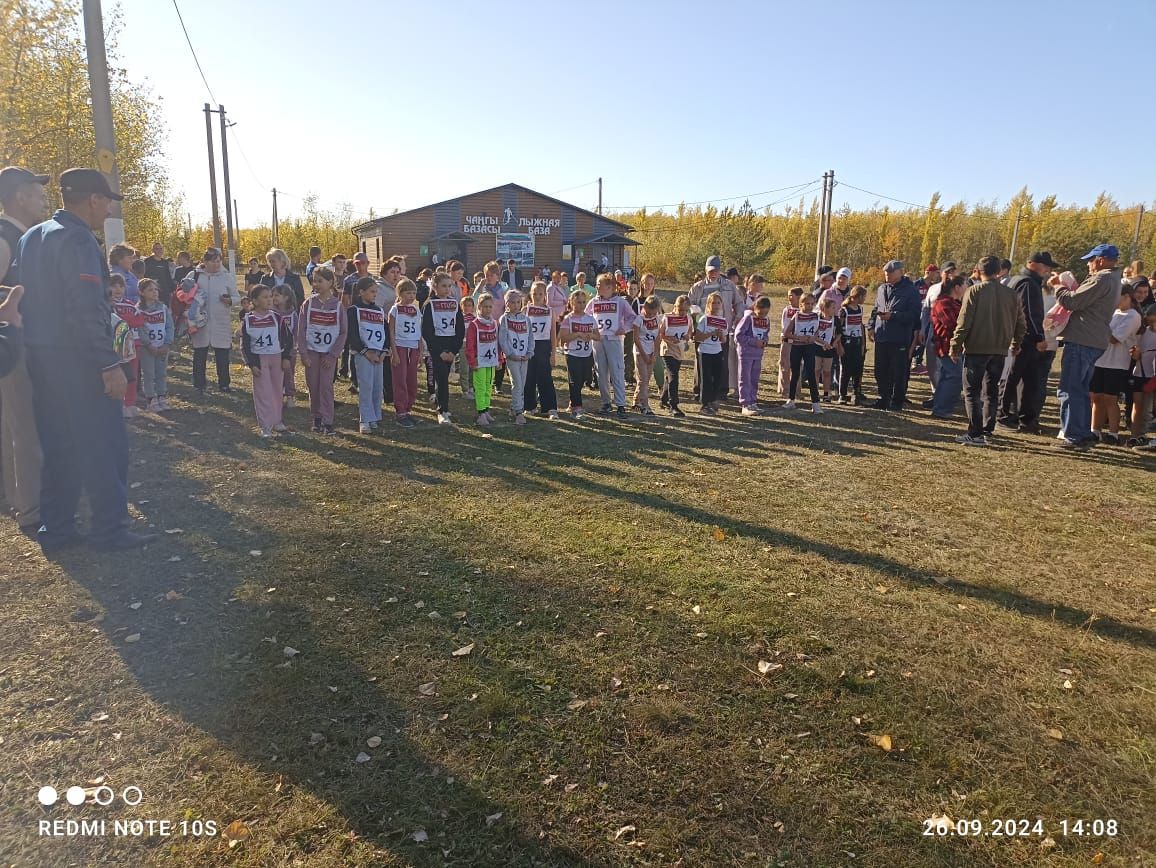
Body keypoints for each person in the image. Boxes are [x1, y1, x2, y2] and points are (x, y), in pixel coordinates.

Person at [14, 167, 156, 551]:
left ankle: (57, 529)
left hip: (42, 359)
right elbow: (85, 309)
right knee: (104, 444)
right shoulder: (77, 239)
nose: (109, 209)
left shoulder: (32, 237)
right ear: (93, 199)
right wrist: (108, 364)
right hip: (78, 361)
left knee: (58, 443)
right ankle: (109, 529)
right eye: (107, 200)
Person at [0, 166, 48, 536]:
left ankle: (19, 499)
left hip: (18, 345)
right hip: (12, 348)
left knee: (17, 426)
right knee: (25, 427)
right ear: (20, 197)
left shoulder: (22, 237)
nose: (44, 197)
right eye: (38, 191)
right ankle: (31, 509)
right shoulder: (6, 238)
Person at [948, 255, 1027, 446]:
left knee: (971, 392)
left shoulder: (974, 291)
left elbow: (964, 322)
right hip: (1000, 350)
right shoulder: (1011, 294)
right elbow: (1020, 324)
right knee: (991, 391)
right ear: (999, 271)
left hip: (977, 348)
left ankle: (975, 433)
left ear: (979, 271)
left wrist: (955, 346)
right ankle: (987, 428)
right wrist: (1016, 344)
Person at [1055, 244, 1123, 449]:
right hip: (1094, 340)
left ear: (1100, 260)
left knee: (1069, 388)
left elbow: (1072, 301)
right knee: (1082, 389)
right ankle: (1082, 432)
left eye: (1090, 261)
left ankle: (1073, 435)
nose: (1088, 265)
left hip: (1082, 340)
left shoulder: (1101, 278)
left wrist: (1059, 286)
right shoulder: (1114, 279)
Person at [996, 252, 1060, 433]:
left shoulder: (1021, 280)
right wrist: (1039, 337)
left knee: (1029, 381)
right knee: (1011, 378)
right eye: (1045, 266)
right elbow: (1029, 313)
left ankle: (1026, 419)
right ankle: (1003, 416)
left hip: (1023, 338)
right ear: (1033, 264)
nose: (1048, 270)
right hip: (1024, 339)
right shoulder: (1027, 283)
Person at [296, 266, 347, 434]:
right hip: (311, 352)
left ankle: (327, 420)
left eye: (320, 281)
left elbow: (343, 332)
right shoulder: (308, 304)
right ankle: (316, 417)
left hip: (328, 354)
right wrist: (303, 353)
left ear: (330, 282)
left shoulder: (338, 306)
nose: (316, 284)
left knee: (326, 386)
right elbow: (301, 330)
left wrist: (333, 355)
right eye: (314, 281)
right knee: (313, 385)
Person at [1089, 284, 1141, 444]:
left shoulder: (1132, 316)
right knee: (1096, 397)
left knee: (1110, 399)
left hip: (1117, 364)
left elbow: (1115, 338)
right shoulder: (1114, 313)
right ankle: (1095, 430)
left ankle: (1113, 433)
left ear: (1127, 297)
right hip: (1100, 360)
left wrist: (1099, 325)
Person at [182, 247, 240, 394]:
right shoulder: (194, 275)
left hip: (220, 320)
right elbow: (183, 293)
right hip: (199, 321)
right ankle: (199, 384)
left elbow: (237, 297)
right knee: (200, 353)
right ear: (205, 262)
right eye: (213, 261)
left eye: (219, 261)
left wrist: (229, 300)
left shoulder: (226, 276)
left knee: (222, 354)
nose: (216, 264)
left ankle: (224, 384)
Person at [241, 284, 293, 438]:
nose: (269, 300)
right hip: (259, 359)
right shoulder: (248, 320)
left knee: (277, 390)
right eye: (265, 297)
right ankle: (265, 425)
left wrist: (286, 358)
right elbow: (245, 345)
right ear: (255, 301)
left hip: (276, 357)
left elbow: (287, 339)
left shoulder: (277, 318)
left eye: (271, 296)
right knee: (263, 392)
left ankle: (277, 420)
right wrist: (252, 364)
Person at [868, 260, 920, 410]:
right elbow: (875, 309)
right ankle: (883, 398)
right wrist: (871, 326)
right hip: (882, 336)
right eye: (885, 273)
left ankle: (897, 401)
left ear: (900, 272)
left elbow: (914, 315)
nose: (887, 275)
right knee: (880, 370)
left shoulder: (911, 291)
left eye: (890, 273)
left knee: (898, 371)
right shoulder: (881, 289)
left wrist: (894, 316)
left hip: (899, 337)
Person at [689, 256, 743, 398]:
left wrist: (737, 318)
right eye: (710, 270)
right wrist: (694, 317)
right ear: (706, 270)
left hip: (721, 328)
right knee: (701, 360)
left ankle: (721, 390)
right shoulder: (697, 287)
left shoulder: (728, 285)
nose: (713, 273)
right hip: (702, 329)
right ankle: (700, 389)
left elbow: (739, 303)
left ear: (719, 271)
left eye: (716, 270)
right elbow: (689, 306)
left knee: (722, 360)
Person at [588, 272, 637, 418]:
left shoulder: (620, 301)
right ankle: (606, 403)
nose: (597, 288)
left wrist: (625, 328)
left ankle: (621, 404)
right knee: (601, 372)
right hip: (598, 340)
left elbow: (632, 318)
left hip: (614, 340)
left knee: (617, 371)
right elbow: (586, 317)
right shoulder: (594, 301)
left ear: (609, 287)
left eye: (599, 285)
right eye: (597, 285)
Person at [422, 272, 465, 425]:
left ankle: (443, 406)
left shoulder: (454, 303)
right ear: (435, 287)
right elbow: (426, 330)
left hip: (450, 346)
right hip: (437, 348)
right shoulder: (429, 304)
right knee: (441, 379)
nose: (447, 289)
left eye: (449, 286)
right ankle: (442, 411)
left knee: (444, 378)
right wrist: (439, 351)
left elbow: (460, 328)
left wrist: (453, 350)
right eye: (443, 286)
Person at [346, 276, 387, 434]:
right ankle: (365, 419)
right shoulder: (353, 310)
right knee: (366, 386)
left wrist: (383, 351)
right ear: (361, 292)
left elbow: (384, 333)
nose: (374, 295)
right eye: (371, 292)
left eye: (376, 292)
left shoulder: (378, 310)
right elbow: (353, 335)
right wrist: (366, 352)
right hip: (364, 354)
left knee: (377, 387)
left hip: (378, 354)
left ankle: (375, 416)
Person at [919, 261, 958, 405]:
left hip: (950, 332)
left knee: (948, 365)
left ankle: (944, 396)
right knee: (932, 364)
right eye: (947, 272)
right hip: (933, 329)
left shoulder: (958, 289)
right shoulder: (933, 289)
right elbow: (926, 310)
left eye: (953, 272)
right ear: (941, 273)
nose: (949, 275)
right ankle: (936, 393)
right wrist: (923, 329)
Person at [388, 278, 424, 429]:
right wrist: (394, 352)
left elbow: (419, 331)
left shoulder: (416, 310)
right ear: (400, 294)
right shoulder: (395, 309)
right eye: (408, 293)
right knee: (400, 379)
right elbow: (391, 332)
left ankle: (408, 408)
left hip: (413, 347)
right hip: (400, 347)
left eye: (413, 293)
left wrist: (421, 350)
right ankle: (401, 411)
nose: (411, 296)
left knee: (412, 380)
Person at [929, 275, 966, 418]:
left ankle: (941, 407)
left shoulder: (955, 303)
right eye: (964, 286)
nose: (966, 289)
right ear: (956, 287)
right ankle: (942, 409)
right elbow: (952, 324)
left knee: (948, 376)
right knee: (953, 376)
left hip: (953, 346)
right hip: (946, 346)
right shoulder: (944, 303)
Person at [558, 288, 598, 419]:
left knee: (584, 378)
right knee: (574, 380)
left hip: (587, 354)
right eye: (578, 302)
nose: (581, 305)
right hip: (573, 354)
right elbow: (563, 339)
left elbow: (599, 336)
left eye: (583, 302)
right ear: (571, 303)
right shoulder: (568, 319)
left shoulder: (590, 318)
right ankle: (577, 407)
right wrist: (577, 334)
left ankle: (573, 401)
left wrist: (590, 335)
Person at [781, 291, 822, 413]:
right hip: (797, 347)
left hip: (810, 347)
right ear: (801, 304)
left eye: (811, 304)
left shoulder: (816, 316)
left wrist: (814, 337)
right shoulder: (797, 316)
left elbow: (818, 332)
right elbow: (787, 333)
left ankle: (815, 403)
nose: (809, 306)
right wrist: (799, 338)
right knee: (795, 374)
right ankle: (791, 400)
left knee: (811, 374)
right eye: (806, 304)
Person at [109, 273, 143, 418]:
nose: (118, 289)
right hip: (114, 347)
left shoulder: (129, 304)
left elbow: (140, 320)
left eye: (121, 285)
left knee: (132, 375)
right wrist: (126, 320)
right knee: (116, 375)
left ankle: (130, 403)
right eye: (114, 285)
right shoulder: (106, 304)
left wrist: (126, 320)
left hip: (133, 345)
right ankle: (117, 404)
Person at [136, 278, 173, 413]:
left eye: (156, 289)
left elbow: (169, 326)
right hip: (148, 348)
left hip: (162, 346)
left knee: (161, 372)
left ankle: (161, 396)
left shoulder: (163, 308)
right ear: (142, 292)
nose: (154, 292)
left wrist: (167, 343)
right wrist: (148, 344)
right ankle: (151, 398)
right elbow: (140, 329)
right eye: (150, 290)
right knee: (149, 373)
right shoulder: (138, 310)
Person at [523, 282, 559, 419]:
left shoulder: (550, 311)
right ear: (530, 295)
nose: (537, 297)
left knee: (545, 377)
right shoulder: (525, 310)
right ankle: (529, 405)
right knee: (529, 376)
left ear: (545, 295)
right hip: (529, 345)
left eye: (540, 294)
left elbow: (553, 334)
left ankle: (549, 407)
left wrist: (553, 354)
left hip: (544, 346)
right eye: (534, 294)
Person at [465, 293, 501, 425]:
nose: (488, 309)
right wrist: (472, 361)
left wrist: (499, 359)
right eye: (485, 307)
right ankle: (481, 413)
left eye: (490, 307)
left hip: (491, 361)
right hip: (479, 362)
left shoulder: (494, 324)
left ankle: (486, 410)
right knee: (480, 387)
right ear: (479, 307)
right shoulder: (474, 325)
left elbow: (497, 343)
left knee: (488, 387)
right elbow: (469, 345)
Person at [498, 289, 532, 425]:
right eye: (512, 302)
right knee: (517, 383)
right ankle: (519, 411)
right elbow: (503, 339)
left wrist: (530, 352)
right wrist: (510, 354)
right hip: (513, 358)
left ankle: (513, 407)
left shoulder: (526, 319)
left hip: (524, 357)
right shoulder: (504, 319)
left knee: (521, 384)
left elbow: (530, 338)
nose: (516, 305)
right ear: (507, 303)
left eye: (518, 302)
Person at [735, 295, 772, 415]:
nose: (762, 316)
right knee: (745, 378)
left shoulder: (766, 320)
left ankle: (753, 401)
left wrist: (765, 341)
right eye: (760, 313)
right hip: (746, 353)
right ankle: (745, 403)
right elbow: (739, 336)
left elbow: (766, 333)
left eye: (765, 313)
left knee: (754, 379)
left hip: (758, 354)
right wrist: (754, 342)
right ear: (755, 308)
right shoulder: (748, 319)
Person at [694, 291, 729, 415]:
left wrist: (720, 335)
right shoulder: (704, 319)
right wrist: (711, 333)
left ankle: (713, 400)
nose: (716, 305)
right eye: (713, 303)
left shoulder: (722, 321)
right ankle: (704, 403)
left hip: (717, 351)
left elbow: (724, 340)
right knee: (706, 378)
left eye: (718, 302)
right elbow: (697, 337)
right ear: (709, 304)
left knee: (718, 377)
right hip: (705, 351)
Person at [1127, 306, 1156, 449]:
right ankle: (1136, 435)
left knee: (1148, 409)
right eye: (1150, 322)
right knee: (1138, 406)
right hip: (1140, 374)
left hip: (1153, 377)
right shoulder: (1143, 334)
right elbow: (1134, 353)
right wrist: (1135, 354)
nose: (1153, 325)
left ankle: (1143, 435)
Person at [659, 295, 691, 417]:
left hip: (679, 350)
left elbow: (689, 333)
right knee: (674, 375)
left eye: (685, 310)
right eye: (680, 309)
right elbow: (661, 334)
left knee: (670, 376)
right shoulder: (667, 317)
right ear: (675, 307)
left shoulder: (688, 318)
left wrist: (686, 337)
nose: (682, 313)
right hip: (667, 350)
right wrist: (669, 338)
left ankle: (663, 399)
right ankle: (674, 405)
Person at [632, 296, 661, 416]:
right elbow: (636, 339)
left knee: (646, 379)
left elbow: (658, 338)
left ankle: (636, 400)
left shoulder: (658, 319)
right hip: (640, 351)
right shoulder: (639, 319)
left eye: (653, 314)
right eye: (648, 313)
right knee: (643, 379)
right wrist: (644, 355)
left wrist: (655, 354)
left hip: (651, 351)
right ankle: (645, 405)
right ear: (644, 308)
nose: (650, 316)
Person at [838, 286, 868, 404]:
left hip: (857, 341)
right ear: (859, 296)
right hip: (846, 342)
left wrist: (863, 345)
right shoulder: (844, 310)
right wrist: (839, 345)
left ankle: (856, 393)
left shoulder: (859, 309)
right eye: (864, 296)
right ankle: (842, 394)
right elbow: (839, 329)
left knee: (858, 369)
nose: (865, 299)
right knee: (846, 369)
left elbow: (860, 326)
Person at [271, 285, 299, 407]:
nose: (273, 298)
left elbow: (297, 331)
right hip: (275, 349)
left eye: (277, 295)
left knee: (288, 373)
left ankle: (290, 396)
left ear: (286, 297)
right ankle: (277, 395)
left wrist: (295, 346)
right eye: (273, 295)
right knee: (276, 373)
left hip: (290, 349)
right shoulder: (271, 312)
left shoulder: (292, 314)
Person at [815, 297, 842, 401]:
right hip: (817, 346)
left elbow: (839, 334)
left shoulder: (836, 320)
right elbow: (814, 334)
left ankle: (826, 394)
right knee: (816, 371)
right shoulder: (817, 318)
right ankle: (815, 393)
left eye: (835, 307)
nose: (834, 309)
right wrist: (823, 343)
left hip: (829, 349)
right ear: (824, 308)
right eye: (832, 307)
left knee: (827, 372)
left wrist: (834, 343)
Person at [778, 287, 802, 397]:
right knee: (785, 365)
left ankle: (796, 390)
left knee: (797, 367)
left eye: (792, 295)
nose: (790, 298)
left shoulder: (803, 311)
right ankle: (785, 389)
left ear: (799, 297)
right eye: (788, 295)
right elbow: (784, 325)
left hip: (799, 342)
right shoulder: (786, 309)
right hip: (787, 340)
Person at [623, 276, 642, 387]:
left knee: (635, 353)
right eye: (630, 289)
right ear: (626, 289)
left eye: (634, 289)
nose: (632, 291)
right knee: (628, 353)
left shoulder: (638, 301)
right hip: (628, 330)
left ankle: (632, 374)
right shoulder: (625, 301)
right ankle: (627, 376)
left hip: (637, 329)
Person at [459, 295, 476, 399]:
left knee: (472, 368)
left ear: (473, 307)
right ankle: (465, 390)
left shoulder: (475, 319)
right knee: (464, 368)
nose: (467, 308)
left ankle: (471, 388)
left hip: (473, 346)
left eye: (469, 305)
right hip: (463, 345)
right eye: (465, 305)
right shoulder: (459, 318)